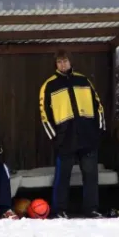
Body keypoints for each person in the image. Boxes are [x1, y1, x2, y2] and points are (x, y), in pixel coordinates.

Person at [39, 50, 105, 219]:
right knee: (63, 176)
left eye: (65, 61)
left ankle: (91, 209)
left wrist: (97, 130)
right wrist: (55, 138)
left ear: (71, 62)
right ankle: (59, 210)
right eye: (59, 62)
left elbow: (98, 105)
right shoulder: (49, 85)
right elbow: (44, 114)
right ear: (56, 65)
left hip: (87, 135)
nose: (63, 65)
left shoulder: (83, 80)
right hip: (65, 138)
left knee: (90, 175)